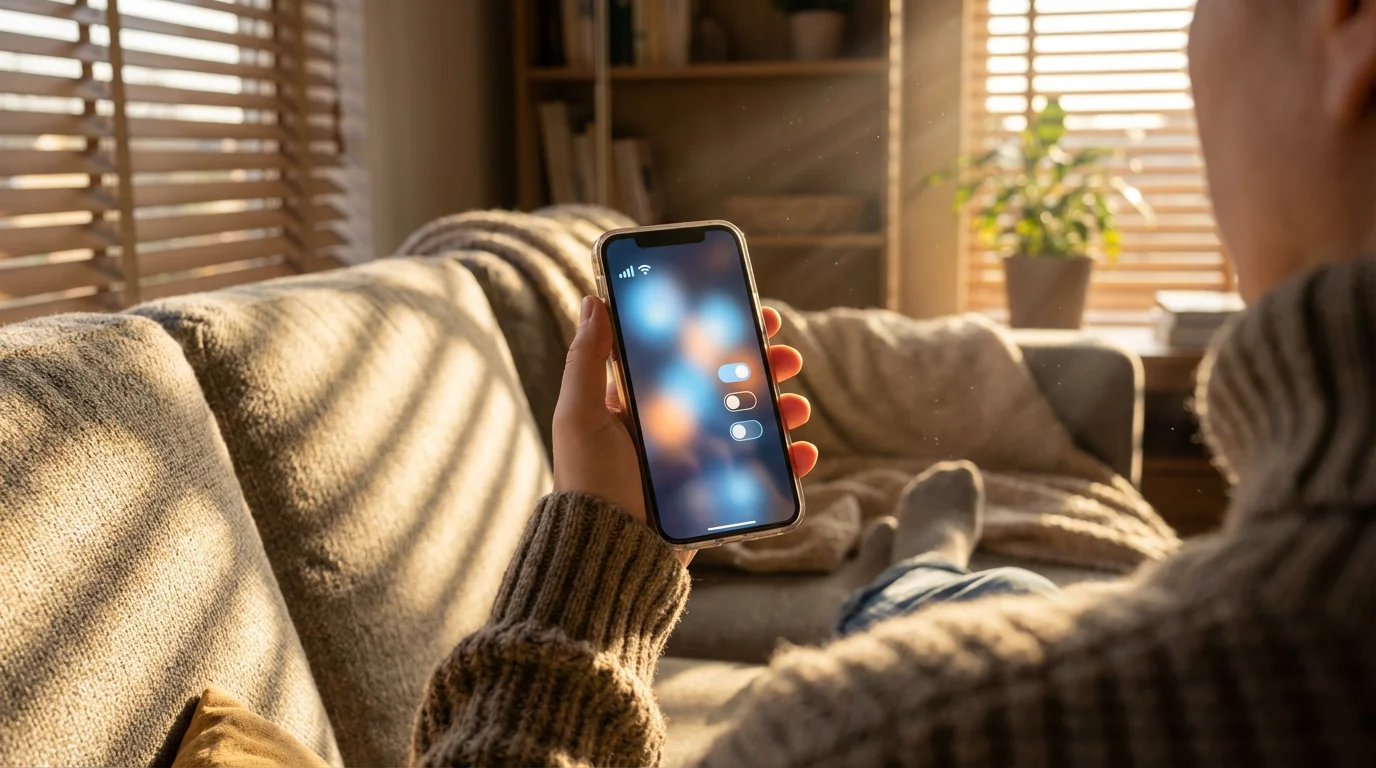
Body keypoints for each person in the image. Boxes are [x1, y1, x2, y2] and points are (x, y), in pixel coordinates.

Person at [410, 0, 1376, 764]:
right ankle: (931, 556)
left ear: (1350, 23)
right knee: (1005, 593)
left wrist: (596, 554)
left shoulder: (883, 733)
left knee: (978, 602)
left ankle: (917, 561)